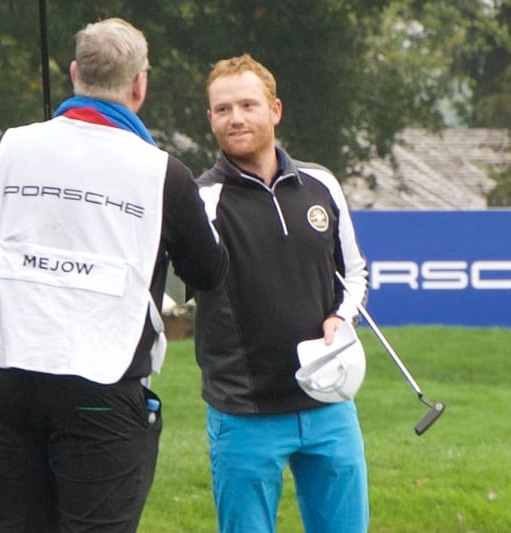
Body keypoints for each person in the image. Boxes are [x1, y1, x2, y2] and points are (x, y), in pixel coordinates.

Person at [0, 18, 228, 531]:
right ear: (139, 85)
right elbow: (207, 270)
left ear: (73, 74)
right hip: (102, 376)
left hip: (7, 371)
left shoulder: (9, 149)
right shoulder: (163, 173)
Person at [191, 54, 371, 532]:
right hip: (244, 412)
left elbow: (354, 275)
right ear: (210, 119)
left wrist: (342, 318)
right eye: (223, 109)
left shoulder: (321, 184)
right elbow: (170, 290)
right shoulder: (199, 200)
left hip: (329, 401)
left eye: (248, 105)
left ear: (275, 109)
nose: (236, 118)